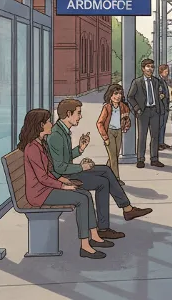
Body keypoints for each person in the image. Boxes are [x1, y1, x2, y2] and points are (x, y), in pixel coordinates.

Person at [48, 99, 153, 239]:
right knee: (102, 183)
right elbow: (59, 167)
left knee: (105, 170)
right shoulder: (56, 135)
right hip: (64, 178)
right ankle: (104, 227)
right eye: (78, 113)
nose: (80, 116)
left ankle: (127, 208)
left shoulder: (63, 130)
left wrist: (80, 149)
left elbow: (64, 157)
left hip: (68, 172)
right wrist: (82, 167)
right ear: (68, 114)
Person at [19, 108, 113, 259]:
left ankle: (94, 236)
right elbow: (42, 178)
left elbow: (49, 171)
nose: (51, 123)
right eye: (48, 121)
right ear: (40, 125)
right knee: (81, 198)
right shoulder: (33, 148)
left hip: (46, 189)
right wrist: (63, 186)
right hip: (40, 194)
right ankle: (85, 246)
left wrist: (64, 180)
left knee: (85, 194)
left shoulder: (40, 144)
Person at [127, 58, 166, 168]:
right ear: (143, 68)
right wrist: (137, 109)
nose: (150, 69)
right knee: (142, 136)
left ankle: (154, 159)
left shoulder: (156, 81)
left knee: (155, 136)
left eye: (152, 67)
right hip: (143, 112)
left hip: (154, 111)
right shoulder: (137, 82)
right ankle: (140, 159)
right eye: (148, 66)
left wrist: (161, 96)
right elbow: (130, 97)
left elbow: (161, 93)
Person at [96, 84, 131, 186]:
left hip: (118, 132)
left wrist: (126, 126)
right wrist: (105, 137)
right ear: (110, 95)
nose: (118, 96)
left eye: (120, 93)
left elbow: (127, 120)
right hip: (109, 132)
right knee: (113, 158)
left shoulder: (124, 107)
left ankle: (103, 174)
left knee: (114, 156)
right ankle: (116, 179)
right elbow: (99, 123)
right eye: (115, 93)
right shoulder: (107, 107)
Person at [157, 64, 172, 150]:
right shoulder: (159, 81)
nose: (167, 73)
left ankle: (161, 142)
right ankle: (158, 144)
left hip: (165, 107)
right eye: (166, 71)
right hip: (161, 108)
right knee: (160, 126)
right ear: (161, 72)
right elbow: (159, 94)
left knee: (163, 126)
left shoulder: (163, 80)